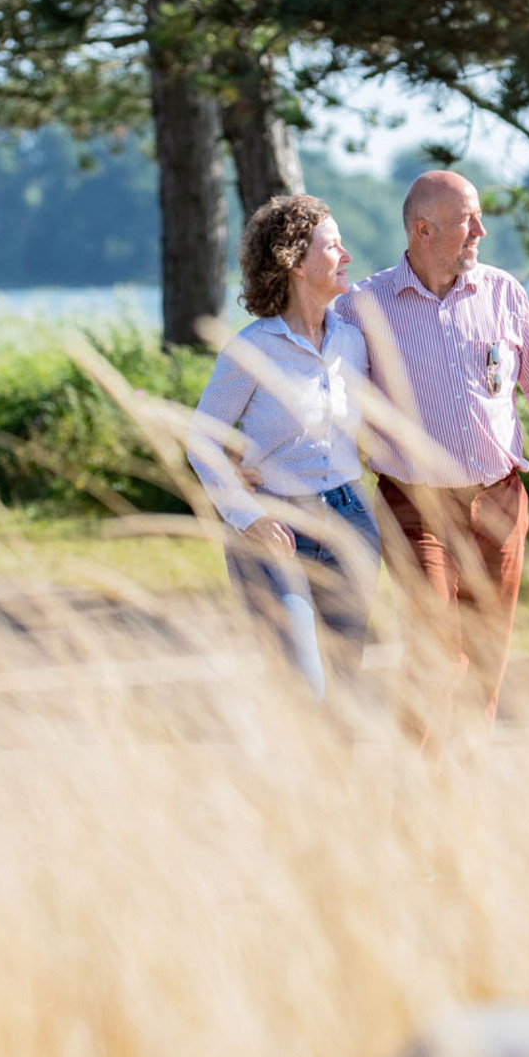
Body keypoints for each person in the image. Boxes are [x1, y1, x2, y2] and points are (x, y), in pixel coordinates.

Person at [338, 169, 529, 728]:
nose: (481, 229)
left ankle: (464, 788)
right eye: (467, 220)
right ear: (423, 229)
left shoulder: (504, 293)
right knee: (432, 648)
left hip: (500, 503)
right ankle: (416, 786)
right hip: (416, 509)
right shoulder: (363, 306)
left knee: (485, 660)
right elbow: (325, 399)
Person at [186, 194, 380, 700]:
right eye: (333, 246)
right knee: (302, 684)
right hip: (274, 527)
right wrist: (247, 516)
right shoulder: (250, 350)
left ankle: (339, 781)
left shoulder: (353, 342)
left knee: (345, 685)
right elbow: (202, 440)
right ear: (294, 260)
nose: (347, 257)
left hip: (349, 521)